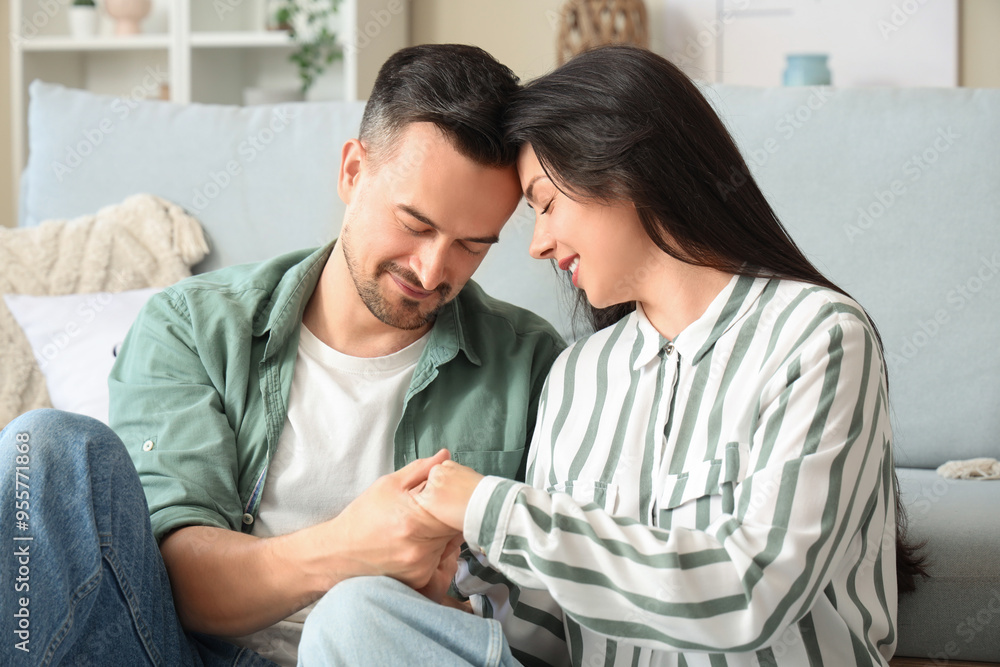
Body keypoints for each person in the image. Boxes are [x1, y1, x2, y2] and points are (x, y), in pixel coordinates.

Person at [301, 45, 927, 666]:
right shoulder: (580, 374)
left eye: (544, 203)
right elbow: (548, 634)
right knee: (357, 614)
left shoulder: (816, 336)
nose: (538, 244)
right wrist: (457, 586)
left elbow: (752, 594)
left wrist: (490, 506)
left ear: (626, 167)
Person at [0, 44, 564, 666]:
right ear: (353, 171)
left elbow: (550, 605)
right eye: (416, 224)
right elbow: (177, 584)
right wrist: (348, 547)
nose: (433, 269)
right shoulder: (194, 325)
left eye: (471, 246)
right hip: (184, 653)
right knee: (42, 448)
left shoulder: (532, 365)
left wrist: (454, 615)